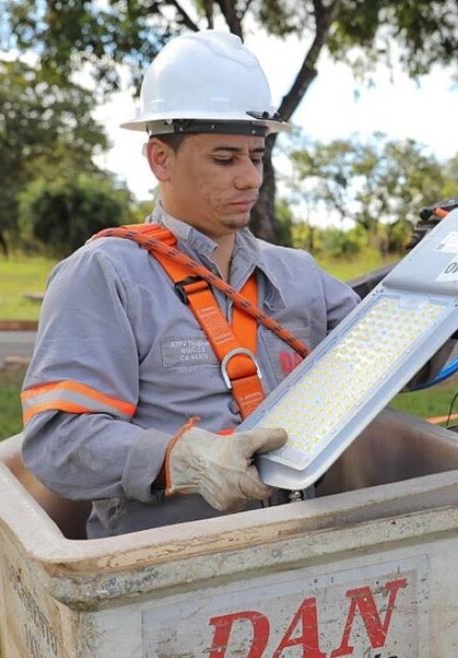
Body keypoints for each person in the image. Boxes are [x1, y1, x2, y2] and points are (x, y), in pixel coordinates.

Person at [19, 31, 361, 538]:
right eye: (225, 159)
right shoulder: (106, 274)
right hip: (165, 565)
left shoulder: (298, 274)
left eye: (256, 156)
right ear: (160, 159)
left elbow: (392, 357)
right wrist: (179, 459)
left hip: (294, 548)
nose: (250, 179)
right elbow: (58, 443)